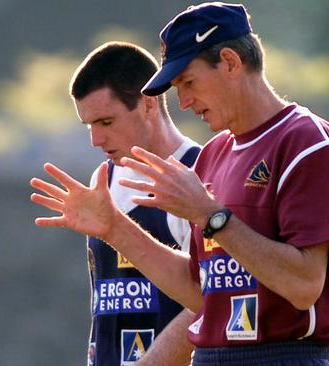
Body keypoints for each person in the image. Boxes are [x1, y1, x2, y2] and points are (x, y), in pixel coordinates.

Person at [30, 3, 329, 365]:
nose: (184, 102)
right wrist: (114, 229)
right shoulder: (214, 155)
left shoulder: (304, 140)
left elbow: (303, 287)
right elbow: (199, 293)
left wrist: (211, 216)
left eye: (188, 82)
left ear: (231, 63)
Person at [67, 41, 200, 366]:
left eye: (106, 123)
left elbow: (212, 304)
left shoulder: (200, 175)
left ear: (148, 105)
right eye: (89, 125)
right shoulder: (104, 184)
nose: (95, 140)